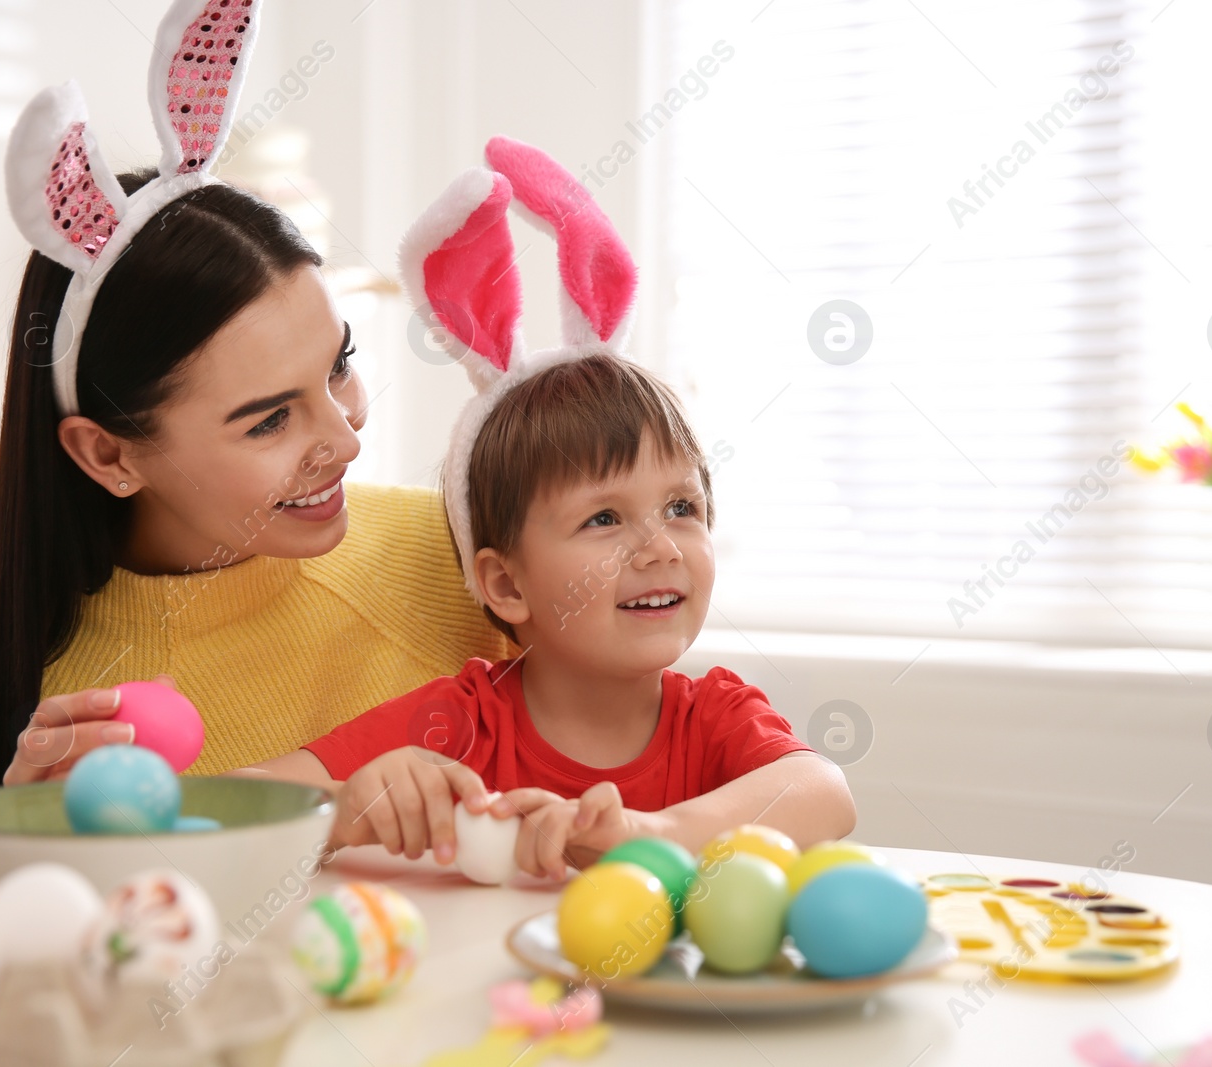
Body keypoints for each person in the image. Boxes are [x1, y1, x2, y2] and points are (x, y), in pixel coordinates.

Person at [0, 1, 510, 865]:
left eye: (339, 364)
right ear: (107, 454)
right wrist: (18, 857)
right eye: (268, 419)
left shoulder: (466, 561)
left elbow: (700, 745)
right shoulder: (60, 726)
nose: (347, 436)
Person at [245, 139, 857, 880]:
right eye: (603, 518)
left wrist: (653, 830)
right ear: (504, 584)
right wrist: (344, 807)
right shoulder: (462, 719)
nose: (660, 546)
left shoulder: (713, 716)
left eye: (681, 506)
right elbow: (231, 807)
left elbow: (825, 794)